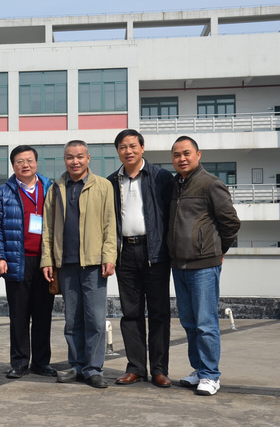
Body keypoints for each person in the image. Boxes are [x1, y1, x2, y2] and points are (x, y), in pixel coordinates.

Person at [40, 140, 117, 389]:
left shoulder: (103, 186)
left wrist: (109, 256)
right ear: (64, 160)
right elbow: (47, 228)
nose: (75, 161)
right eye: (70, 157)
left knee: (95, 320)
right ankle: (76, 365)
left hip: (94, 263)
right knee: (72, 320)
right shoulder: (56, 188)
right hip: (66, 264)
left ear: (88, 158)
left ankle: (93, 369)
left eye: (80, 156)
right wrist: (48, 259)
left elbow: (110, 224)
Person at [168, 135, 240, 396]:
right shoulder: (175, 184)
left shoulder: (210, 183)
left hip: (203, 266)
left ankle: (211, 375)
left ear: (198, 155)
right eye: (177, 155)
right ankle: (199, 370)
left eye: (186, 153)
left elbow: (231, 223)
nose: (182, 158)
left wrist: (218, 250)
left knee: (206, 323)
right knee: (189, 322)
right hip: (179, 265)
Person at [107, 129, 173, 388]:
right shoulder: (112, 182)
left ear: (142, 148)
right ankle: (135, 367)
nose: (128, 151)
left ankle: (159, 370)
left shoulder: (160, 177)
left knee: (159, 313)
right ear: (118, 151)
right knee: (130, 313)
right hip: (125, 253)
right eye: (123, 147)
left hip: (154, 251)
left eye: (133, 146)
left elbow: (171, 214)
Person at [0, 145, 56, 380]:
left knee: (43, 314)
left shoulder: (51, 188)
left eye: (29, 160)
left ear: (36, 162)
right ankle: (19, 362)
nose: (25, 165)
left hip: (45, 261)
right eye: (19, 161)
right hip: (17, 260)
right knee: (19, 315)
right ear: (13, 166)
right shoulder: (2, 193)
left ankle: (42, 362)